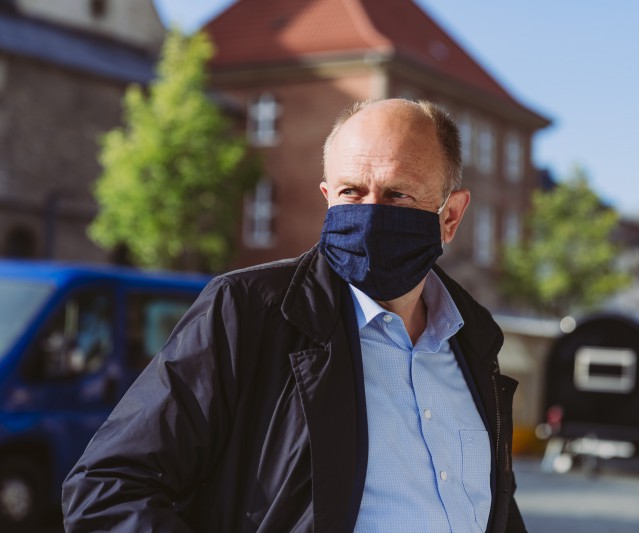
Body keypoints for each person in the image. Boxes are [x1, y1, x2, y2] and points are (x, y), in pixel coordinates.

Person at [62, 98, 526, 532]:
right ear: (327, 196)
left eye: (398, 195)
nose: (369, 214)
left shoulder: (475, 341)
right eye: (351, 191)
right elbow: (106, 489)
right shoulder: (246, 313)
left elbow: (492, 507)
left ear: (451, 216)